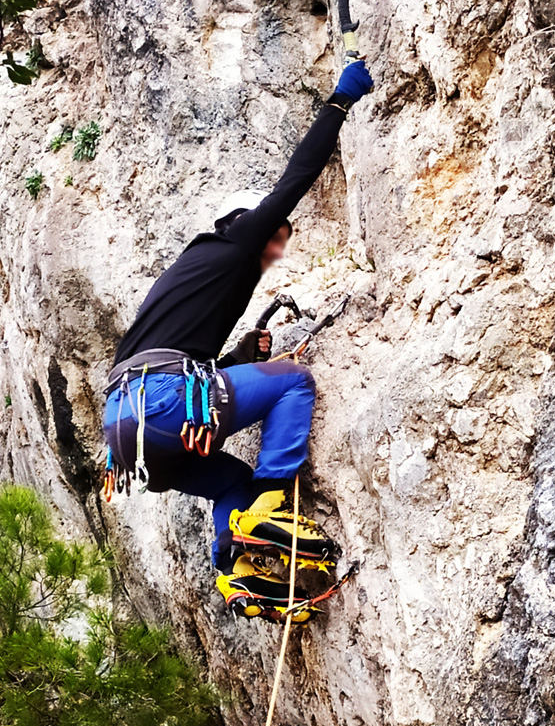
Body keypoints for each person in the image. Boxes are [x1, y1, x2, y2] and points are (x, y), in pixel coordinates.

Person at [103, 60, 374, 623]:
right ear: (246, 226)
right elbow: (294, 181)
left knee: (232, 481)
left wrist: (237, 361)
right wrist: (339, 103)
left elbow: (181, 362)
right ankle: (273, 505)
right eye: (274, 240)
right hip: (163, 400)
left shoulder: (189, 275)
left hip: (128, 439)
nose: (274, 251)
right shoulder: (234, 240)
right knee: (294, 382)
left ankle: (233, 569)